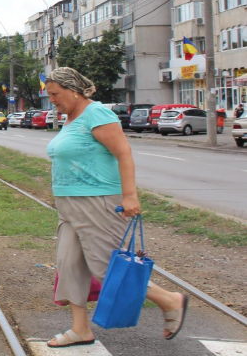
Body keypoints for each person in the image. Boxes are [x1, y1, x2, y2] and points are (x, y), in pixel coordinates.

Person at [44, 67, 187, 348]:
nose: (52, 100)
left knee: (104, 268)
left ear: (73, 90)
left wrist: (130, 195)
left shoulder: (96, 114)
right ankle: (80, 329)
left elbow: (123, 153)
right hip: (69, 203)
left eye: (55, 94)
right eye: (49, 95)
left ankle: (170, 300)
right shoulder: (71, 118)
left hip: (97, 201)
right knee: (69, 265)